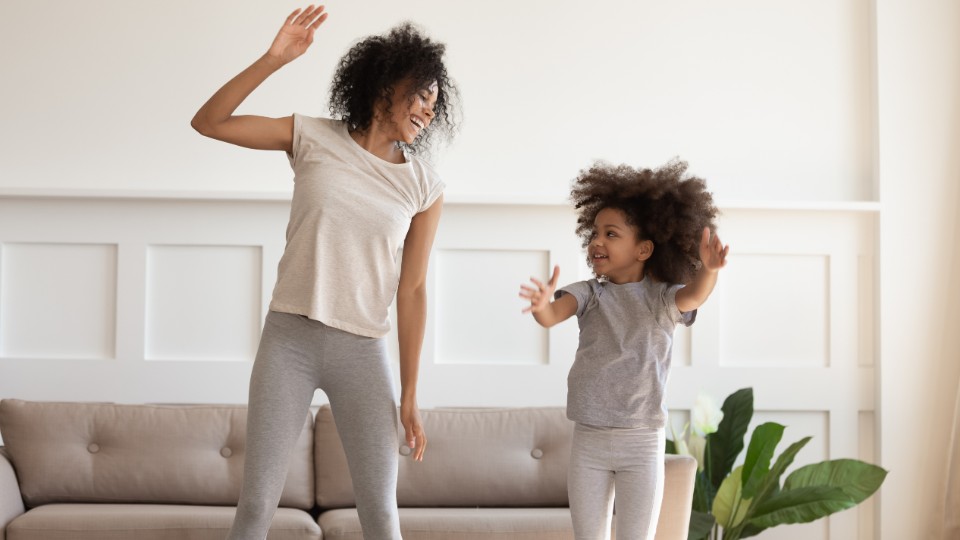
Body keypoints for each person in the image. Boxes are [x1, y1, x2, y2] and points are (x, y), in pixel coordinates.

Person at [191, 6, 459, 539]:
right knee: (256, 505)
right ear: (385, 84)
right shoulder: (312, 137)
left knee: (381, 514)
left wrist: (409, 392)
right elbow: (209, 122)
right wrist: (273, 59)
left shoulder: (423, 186)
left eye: (435, 102)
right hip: (289, 338)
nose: (428, 110)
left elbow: (413, 289)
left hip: (362, 349)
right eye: (420, 95)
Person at [519, 160, 728, 540]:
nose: (597, 241)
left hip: (642, 443)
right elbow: (552, 315)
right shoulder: (588, 293)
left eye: (611, 234)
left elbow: (695, 294)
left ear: (644, 248)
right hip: (589, 440)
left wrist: (709, 270)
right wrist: (541, 306)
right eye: (594, 233)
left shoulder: (662, 299)